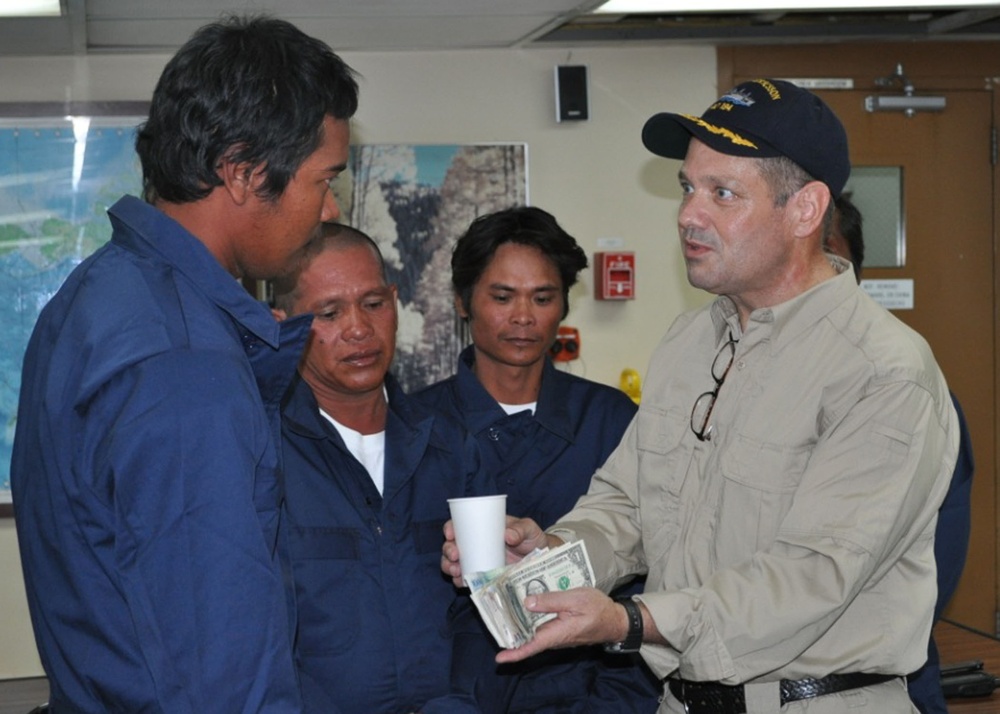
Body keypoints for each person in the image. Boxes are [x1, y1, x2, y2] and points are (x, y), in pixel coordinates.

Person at [443, 79, 960, 714]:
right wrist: (548, 554)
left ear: (805, 209)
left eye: (724, 194)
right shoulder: (693, 339)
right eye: (689, 187)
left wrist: (628, 621)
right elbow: (628, 507)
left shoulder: (881, 371)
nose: (689, 214)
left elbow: (811, 578)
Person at [10, 16, 358, 712]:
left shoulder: (97, 296)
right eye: (323, 181)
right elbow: (219, 664)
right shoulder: (183, 361)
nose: (329, 207)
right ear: (241, 171)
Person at [416, 205, 661, 713]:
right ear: (464, 302)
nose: (524, 317)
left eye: (543, 297)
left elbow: (649, 576)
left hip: (593, 695)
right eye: (502, 297)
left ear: (564, 306)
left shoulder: (612, 419)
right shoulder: (413, 426)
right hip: (452, 696)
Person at [272, 223, 493, 714]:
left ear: (395, 302)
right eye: (328, 313)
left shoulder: (452, 448)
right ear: (283, 324)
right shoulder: (263, 454)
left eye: (373, 304)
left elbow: (484, 612)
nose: (358, 329)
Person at [826, 194, 975, 714]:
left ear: (855, 271)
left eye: (828, 254)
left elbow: (934, 571)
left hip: (877, 683)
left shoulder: (906, 389)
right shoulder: (724, 384)